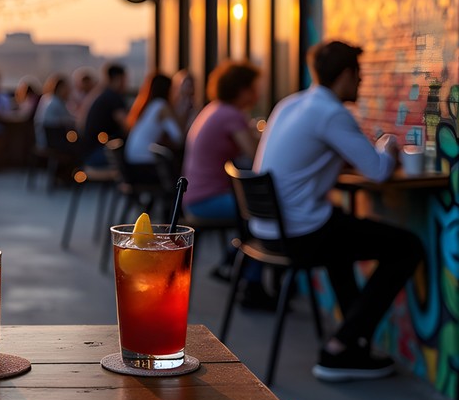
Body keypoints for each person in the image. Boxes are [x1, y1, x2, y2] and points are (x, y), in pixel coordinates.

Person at [254, 40, 423, 382]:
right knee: (407, 247)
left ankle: (350, 347)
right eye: (359, 76)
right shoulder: (330, 113)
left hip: (267, 231)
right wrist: (388, 144)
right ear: (346, 75)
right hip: (300, 234)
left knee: (340, 240)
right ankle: (341, 346)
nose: (361, 83)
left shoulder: (291, 104)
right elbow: (377, 170)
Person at [181, 61, 266, 304]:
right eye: (254, 88)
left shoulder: (214, 110)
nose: (258, 93)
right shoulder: (231, 115)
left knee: (256, 212)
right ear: (242, 90)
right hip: (207, 201)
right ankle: (252, 283)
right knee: (261, 214)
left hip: (196, 197)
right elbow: (256, 157)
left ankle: (232, 262)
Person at [123, 72, 183, 182]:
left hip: (133, 162)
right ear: (167, 89)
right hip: (145, 165)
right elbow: (178, 138)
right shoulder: (161, 106)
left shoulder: (147, 106)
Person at [79, 62, 128, 166]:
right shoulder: (113, 97)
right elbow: (126, 125)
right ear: (118, 79)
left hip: (89, 152)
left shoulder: (100, 94)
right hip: (99, 153)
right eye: (124, 80)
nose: (126, 84)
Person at [33, 74, 76, 149]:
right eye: (66, 88)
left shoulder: (48, 98)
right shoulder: (55, 102)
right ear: (60, 88)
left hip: (43, 139)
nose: (69, 91)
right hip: (49, 141)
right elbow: (55, 123)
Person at [170, 68, 198, 133]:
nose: (188, 88)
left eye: (190, 85)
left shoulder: (193, 105)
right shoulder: (173, 103)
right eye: (186, 84)